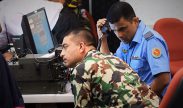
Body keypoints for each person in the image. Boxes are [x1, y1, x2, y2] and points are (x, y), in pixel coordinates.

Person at [60, 28, 160, 107]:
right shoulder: (112, 58)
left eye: (65, 46)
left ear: (81, 46)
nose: (61, 54)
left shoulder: (81, 69)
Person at [96, 1, 171, 97]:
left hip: (152, 99)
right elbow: (110, 66)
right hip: (133, 95)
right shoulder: (127, 40)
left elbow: (163, 79)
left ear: (135, 21)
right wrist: (103, 38)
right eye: (114, 30)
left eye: (122, 29)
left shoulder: (151, 41)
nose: (119, 35)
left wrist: (141, 98)